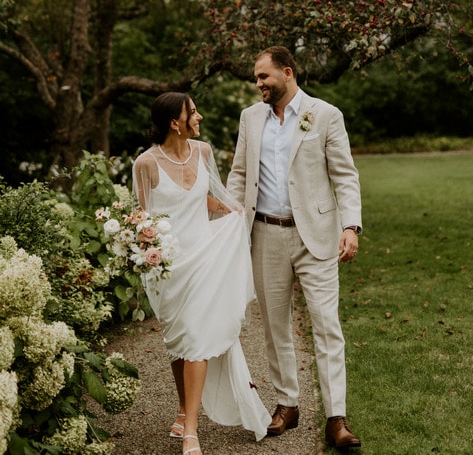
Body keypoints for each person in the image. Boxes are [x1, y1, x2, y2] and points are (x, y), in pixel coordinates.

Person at [227, 46, 363, 450]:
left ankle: (336, 417)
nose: (258, 84)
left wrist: (350, 226)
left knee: (326, 326)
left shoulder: (324, 114)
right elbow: (238, 173)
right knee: (274, 327)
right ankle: (287, 404)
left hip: (316, 236)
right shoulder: (250, 118)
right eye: (256, 78)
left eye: (264, 77)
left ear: (287, 73)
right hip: (265, 235)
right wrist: (232, 222)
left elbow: (345, 176)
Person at [132, 92, 271, 455]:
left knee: (195, 339)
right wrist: (145, 251)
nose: (200, 117)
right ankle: (182, 411)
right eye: (192, 112)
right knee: (180, 341)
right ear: (174, 123)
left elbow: (203, 198)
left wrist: (231, 210)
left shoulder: (203, 152)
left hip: (204, 258)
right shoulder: (145, 165)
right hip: (169, 269)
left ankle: (191, 429)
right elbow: (140, 218)